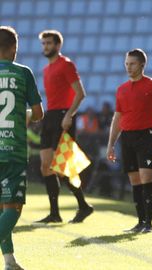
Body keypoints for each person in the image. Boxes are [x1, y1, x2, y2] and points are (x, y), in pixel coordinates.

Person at [106, 49, 152, 233]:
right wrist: (111, 144)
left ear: (142, 65)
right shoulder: (121, 90)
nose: (128, 67)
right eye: (126, 64)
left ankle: (148, 223)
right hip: (127, 137)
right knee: (134, 179)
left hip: (146, 136)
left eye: (132, 64)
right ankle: (140, 221)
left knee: (146, 176)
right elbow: (117, 119)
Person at [36, 30, 93, 224]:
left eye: (49, 43)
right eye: (43, 44)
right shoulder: (46, 70)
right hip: (50, 117)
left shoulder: (66, 65)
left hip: (63, 117)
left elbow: (80, 93)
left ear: (58, 45)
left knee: (62, 167)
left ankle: (83, 206)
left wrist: (69, 115)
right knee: (45, 166)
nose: (46, 47)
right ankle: (55, 213)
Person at [0, 26, 44, 270]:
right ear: (14, 49)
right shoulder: (23, 73)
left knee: (1, 209)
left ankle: (9, 261)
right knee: (13, 208)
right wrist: (25, 113)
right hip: (12, 150)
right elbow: (38, 114)